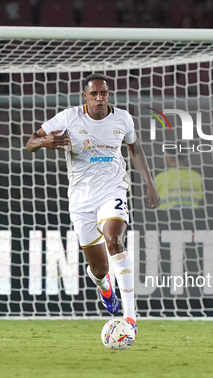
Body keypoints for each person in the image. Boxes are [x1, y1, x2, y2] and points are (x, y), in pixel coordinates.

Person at [25, 73, 159, 334]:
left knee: (115, 241)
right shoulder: (68, 118)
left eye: (104, 93)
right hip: (81, 200)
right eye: (94, 93)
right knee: (99, 269)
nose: (100, 98)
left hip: (113, 191)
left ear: (109, 95)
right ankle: (103, 285)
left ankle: (130, 318)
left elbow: (135, 150)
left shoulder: (123, 118)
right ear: (84, 96)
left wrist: (149, 183)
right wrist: (44, 141)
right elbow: (29, 142)